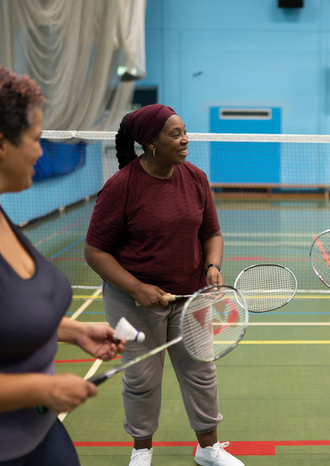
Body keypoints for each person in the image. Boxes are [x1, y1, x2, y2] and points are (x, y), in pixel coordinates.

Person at [0, 63, 126, 466]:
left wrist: (73, 331)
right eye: (36, 139)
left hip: (36, 434)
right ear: (0, 145)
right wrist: (40, 389)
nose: (40, 150)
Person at [84, 104, 242, 466]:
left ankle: (208, 449)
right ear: (151, 143)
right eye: (175, 134)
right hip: (132, 302)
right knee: (141, 379)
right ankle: (142, 451)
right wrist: (139, 289)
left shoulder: (195, 178)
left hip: (190, 295)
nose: (185, 139)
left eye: (184, 131)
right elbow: (95, 252)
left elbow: (211, 233)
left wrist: (213, 265)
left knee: (201, 373)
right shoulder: (121, 186)